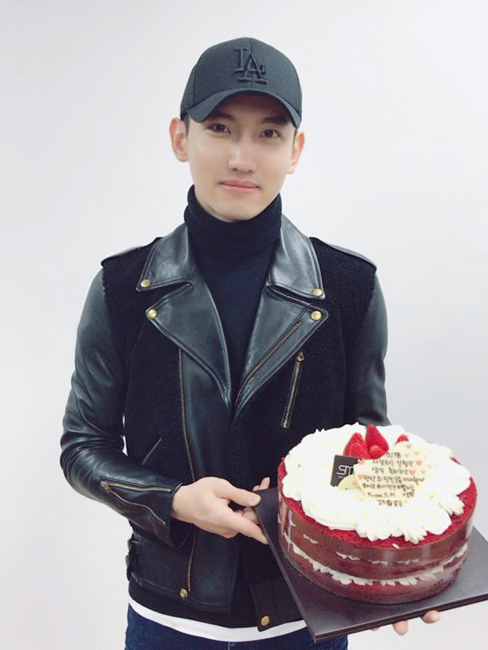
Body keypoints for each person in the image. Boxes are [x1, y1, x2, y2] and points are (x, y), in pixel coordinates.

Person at [60, 37, 439, 649]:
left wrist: (388, 560)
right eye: (219, 128)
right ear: (180, 137)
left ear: (296, 150)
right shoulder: (121, 289)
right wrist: (174, 500)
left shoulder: (349, 288)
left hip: (306, 617)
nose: (242, 157)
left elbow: (366, 449)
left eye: (268, 134)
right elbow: (83, 447)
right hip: (168, 618)